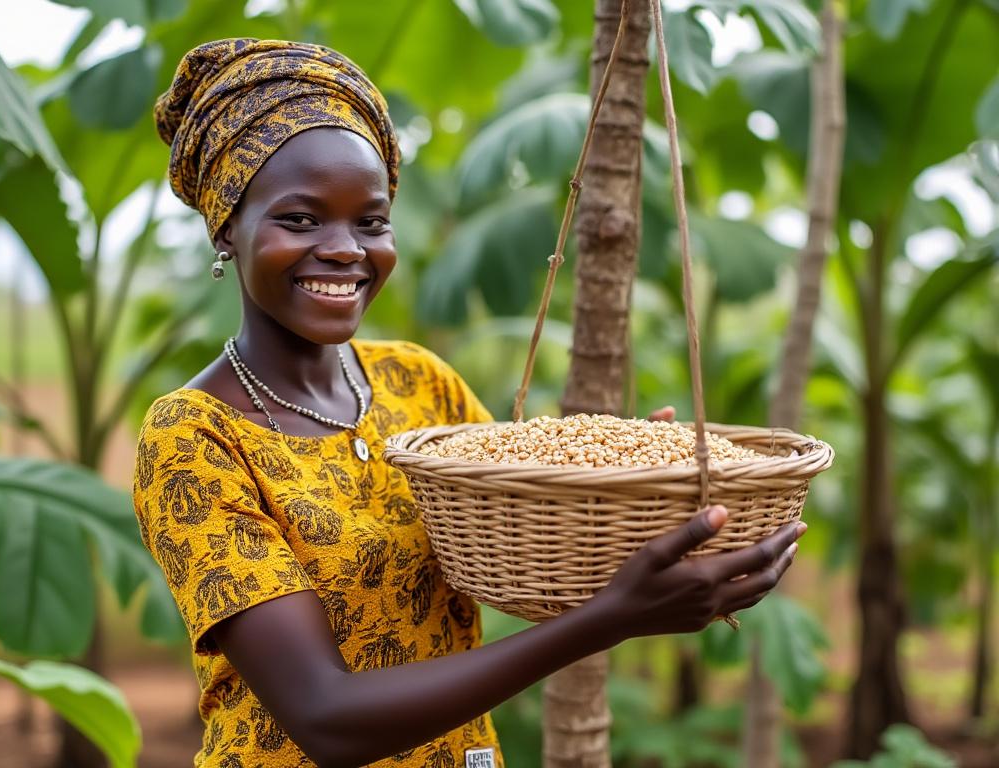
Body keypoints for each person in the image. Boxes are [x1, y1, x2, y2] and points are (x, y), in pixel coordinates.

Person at [133, 38, 804, 768]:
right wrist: (610, 620)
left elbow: (523, 552)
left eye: (371, 220)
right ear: (229, 225)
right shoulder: (194, 438)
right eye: (300, 219)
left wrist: (635, 488)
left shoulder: (417, 382)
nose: (345, 250)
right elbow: (325, 718)